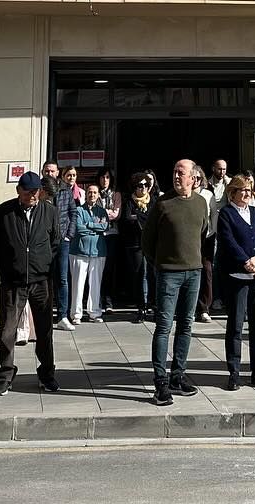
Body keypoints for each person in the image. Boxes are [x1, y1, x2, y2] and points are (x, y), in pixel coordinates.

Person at [144, 158, 209, 405]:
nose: (176, 176)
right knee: (163, 326)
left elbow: (203, 232)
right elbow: (147, 241)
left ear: (194, 178)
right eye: (174, 172)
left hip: (193, 272)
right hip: (168, 273)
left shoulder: (201, 203)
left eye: (181, 172)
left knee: (186, 325)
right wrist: (161, 264)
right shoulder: (162, 203)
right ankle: (160, 382)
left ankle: (177, 376)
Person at [0, 170, 60, 394]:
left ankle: (47, 373)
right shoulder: (4, 212)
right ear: (18, 190)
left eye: (36, 191)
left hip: (40, 280)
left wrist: (44, 264)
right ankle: (6, 374)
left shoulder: (49, 211)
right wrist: (8, 267)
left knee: (44, 329)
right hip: (14, 280)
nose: (33, 195)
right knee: (8, 330)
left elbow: (55, 242)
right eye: (29, 191)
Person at [218, 175, 255, 390]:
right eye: (243, 190)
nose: (248, 194)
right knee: (236, 325)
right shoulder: (226, 214)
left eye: (249, 190)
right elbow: (228, 241)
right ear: (233, 193)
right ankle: (234, 372)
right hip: (238, 277)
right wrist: (245, 262)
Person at [41, 160, 77, 331]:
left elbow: (73, 213)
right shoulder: (39, 190)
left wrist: (69, 235)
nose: (50, 174)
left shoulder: (65, 189)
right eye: (47, 171)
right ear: (43, 172)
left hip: (62, 240)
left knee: (62, 279)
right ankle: (44, 315)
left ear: (57, 173)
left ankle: (62, 315)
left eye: (53, 171)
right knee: (43, 279)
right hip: (43, 241)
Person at [70, 184, 109, 324]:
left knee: (95, 283)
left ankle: (94, 313)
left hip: (98, 251)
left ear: (98, 195)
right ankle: (76, 314)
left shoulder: (102, 211)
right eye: (90, 192)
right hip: (79, 251)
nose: (92, 195)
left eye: (95, 192)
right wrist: (95, 227)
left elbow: (105, 226)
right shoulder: (79, 210)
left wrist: (89, 225)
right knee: (78, 284)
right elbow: (78, 228)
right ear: (85, 194)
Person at [123, 170, 158, 321]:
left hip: (152, 243)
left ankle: (155, 306)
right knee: (139, 275)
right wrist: (140, 218)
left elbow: (155, 220)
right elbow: (126, 219)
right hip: (135, 244)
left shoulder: (154, 201)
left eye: (145, 185)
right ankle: (141, 307)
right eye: (139, 185)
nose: (143, 188)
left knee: (153, 274)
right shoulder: (129, 202)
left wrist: (137, 217)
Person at [193, 165, 217, 323]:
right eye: (192, 177)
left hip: (206, 237)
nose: (195, 181)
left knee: (207, 271)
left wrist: (212, 231)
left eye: (198, 178)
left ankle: (204, 308)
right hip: (189, 238)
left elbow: (214, 214)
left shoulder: (208, 194)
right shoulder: (183, 194)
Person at [96, 168, 122, 313]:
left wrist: (103, 213)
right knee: (97, 268)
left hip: (112, 233)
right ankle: (96, 299)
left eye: (107, 177)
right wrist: (107, 212)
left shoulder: (115, 194)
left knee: (109, 268)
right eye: (102, 177)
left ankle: (108, 301)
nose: (104, 180)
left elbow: (116, 214)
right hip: (98, 234)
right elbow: (93, 213)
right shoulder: (95, 192)